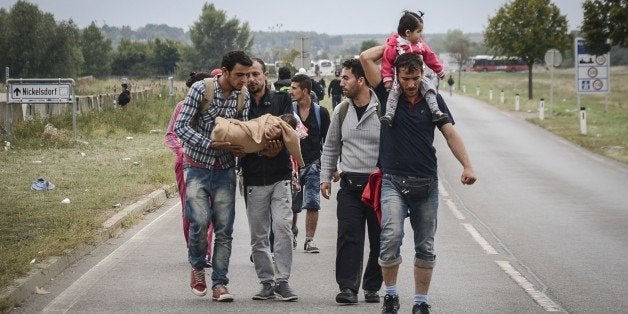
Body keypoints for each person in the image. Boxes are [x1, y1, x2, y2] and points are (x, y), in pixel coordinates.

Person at [360, 46, 477, 314]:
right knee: (391, 238)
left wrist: (467, 166)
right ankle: (390, 296)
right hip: (392, 180)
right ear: (397, 75)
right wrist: (397, 42)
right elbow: (366, 58)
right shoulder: (386, 93)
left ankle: (421, 302)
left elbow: (449, 133)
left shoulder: (432, 99)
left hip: (426, 183)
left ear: (421, 74)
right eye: (405, 78)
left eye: (415, 78)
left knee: (425, 245)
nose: (411, 85)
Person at [174, 50, 261, 302]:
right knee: (199, 221)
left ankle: (220, 284)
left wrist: (249, 145)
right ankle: (198, 266)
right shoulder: (201, 90)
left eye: (247, 75)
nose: (244, 80)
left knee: (224, 229)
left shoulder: (243, 96)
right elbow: (181, 126)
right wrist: (210, 145)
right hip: (196, 165)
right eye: (239, 75)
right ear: (224, 71)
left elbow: (242, 130)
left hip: (225, 170)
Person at [320, 58, 383, 304]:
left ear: (361, 79)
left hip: (378, 185)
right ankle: (347, 287)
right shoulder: (341, 110)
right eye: (341, 77)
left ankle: (372, 286)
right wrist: (326, 177)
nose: (340, 82)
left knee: (380, 239)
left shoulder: (382, 108)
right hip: (349, 186)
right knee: (348, 237)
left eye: (346, 78)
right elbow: (331, 146)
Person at [240, 58, 299, 301]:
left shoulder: (281, 99)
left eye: (256, 74)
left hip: (280, 176)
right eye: (247, 75)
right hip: (253, 178)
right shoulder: (240, 105)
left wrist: (277, 145)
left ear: (266, 75)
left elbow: (292, 125)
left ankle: (283, 281)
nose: (251, 79)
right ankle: (266, 282)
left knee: (283, 228)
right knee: (258, 235)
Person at [164, 72, 214, 269]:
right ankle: (194, 249)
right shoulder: (182, 107)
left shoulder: (214, 107)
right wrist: (182, 150)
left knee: (207, 212)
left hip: (210, 165)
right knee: (190, 211)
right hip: (185, 164)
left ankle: (205, 253)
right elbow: (170, 135)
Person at [380, 10, 447, 127]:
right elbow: (387, 62)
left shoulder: (420, 44)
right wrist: (387, 79)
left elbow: (430, 57)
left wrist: (439, 71)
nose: (421, 35)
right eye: (419, 31)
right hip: (399, 78)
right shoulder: (394, 46)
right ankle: (389, 115)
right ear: (408, 32)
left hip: (419, 76)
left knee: (429, 88)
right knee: (393, 93)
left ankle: (435, 111)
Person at [290, 73, 330, 253]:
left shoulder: (320, 112)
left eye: (294, 88)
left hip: (314, 164)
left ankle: (309, 240)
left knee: (313, 202)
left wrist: (333, 168)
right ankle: (291, 232)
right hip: (292, 165)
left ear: (304, 91)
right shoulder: (289, 111)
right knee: (292, 204)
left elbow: (329, 142)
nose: (291, 91)